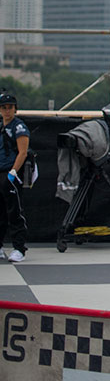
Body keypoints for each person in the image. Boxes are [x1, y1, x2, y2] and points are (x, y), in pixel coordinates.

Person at [0, 92, 29, 262]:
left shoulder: (19, 127)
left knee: (14, 212)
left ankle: (19, 248)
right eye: (4, 108)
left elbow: (23, 152)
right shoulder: (1, 126)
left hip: (11, 173)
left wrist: (13, 172)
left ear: (15, 109)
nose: (7, 111)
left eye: (10, 107)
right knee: (0, 211)